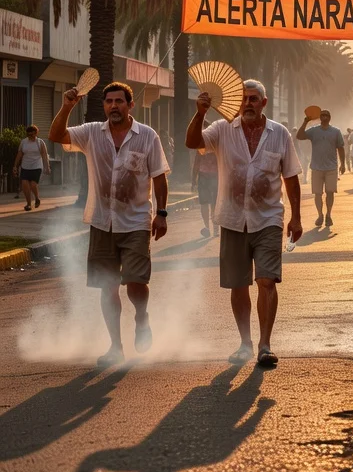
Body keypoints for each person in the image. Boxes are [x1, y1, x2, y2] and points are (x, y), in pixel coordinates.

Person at [51, 82, 170, 367]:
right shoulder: (92, 132)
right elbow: (56, 135)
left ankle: (142, 318)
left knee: (136, 283)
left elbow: (159, 176)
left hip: (137, 222)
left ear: (131, 105)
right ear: (104, 106)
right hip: (102, 221)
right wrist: (67, 106)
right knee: (108, 286)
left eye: (119, 101)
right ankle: (115, 346)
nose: (113, 106)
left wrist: (162, 213)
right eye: (109, 102)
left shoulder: (148, 137)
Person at [185, 80, 300, 367]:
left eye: (253, 99)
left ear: (264, 103)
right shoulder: (223, 129)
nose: (248, 103)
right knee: (239, 285)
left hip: (269, 218)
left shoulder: (280, 134)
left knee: (266, 280)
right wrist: (199, 114)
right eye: (244, 99)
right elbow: (192, 142)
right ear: (237, 103)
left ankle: (265, 344)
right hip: (233, 219)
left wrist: (296, 216)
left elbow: (291, 177)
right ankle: (245, 342)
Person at [296, 109, 345, 228]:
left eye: (326, 115)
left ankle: (328, 214)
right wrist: (305, 122)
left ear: (330, 117)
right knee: (317, 194)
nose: (324, 117)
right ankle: (320, 215)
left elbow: (340, 148)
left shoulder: (336, 131)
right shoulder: (314, 130)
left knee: (330, 192)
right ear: (319, 117)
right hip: (317, 167)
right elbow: (299, 136)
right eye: (322, 115)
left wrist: (343, 164)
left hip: (331, 168)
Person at [11, 124, 48, 211]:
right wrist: (15, 166)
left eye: (32, 134)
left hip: (37, 166)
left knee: (33, 184)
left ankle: (37, 198)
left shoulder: (40, 142)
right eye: (28, 135)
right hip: (25, 166)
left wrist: (47, 166)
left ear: (36, 133)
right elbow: (19, 154)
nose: (30, 136)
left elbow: (44, 155)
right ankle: (28, 204)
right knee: (25, 185)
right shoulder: (24, 142)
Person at [192, 147, 219, 237]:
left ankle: (209, 227)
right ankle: (214, 228)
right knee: (212, 203)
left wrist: (193, 180)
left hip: (206, 176)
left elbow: (196, 163)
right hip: (213, 176)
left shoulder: (202, 146)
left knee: (206, 203)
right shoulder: (216, 145)